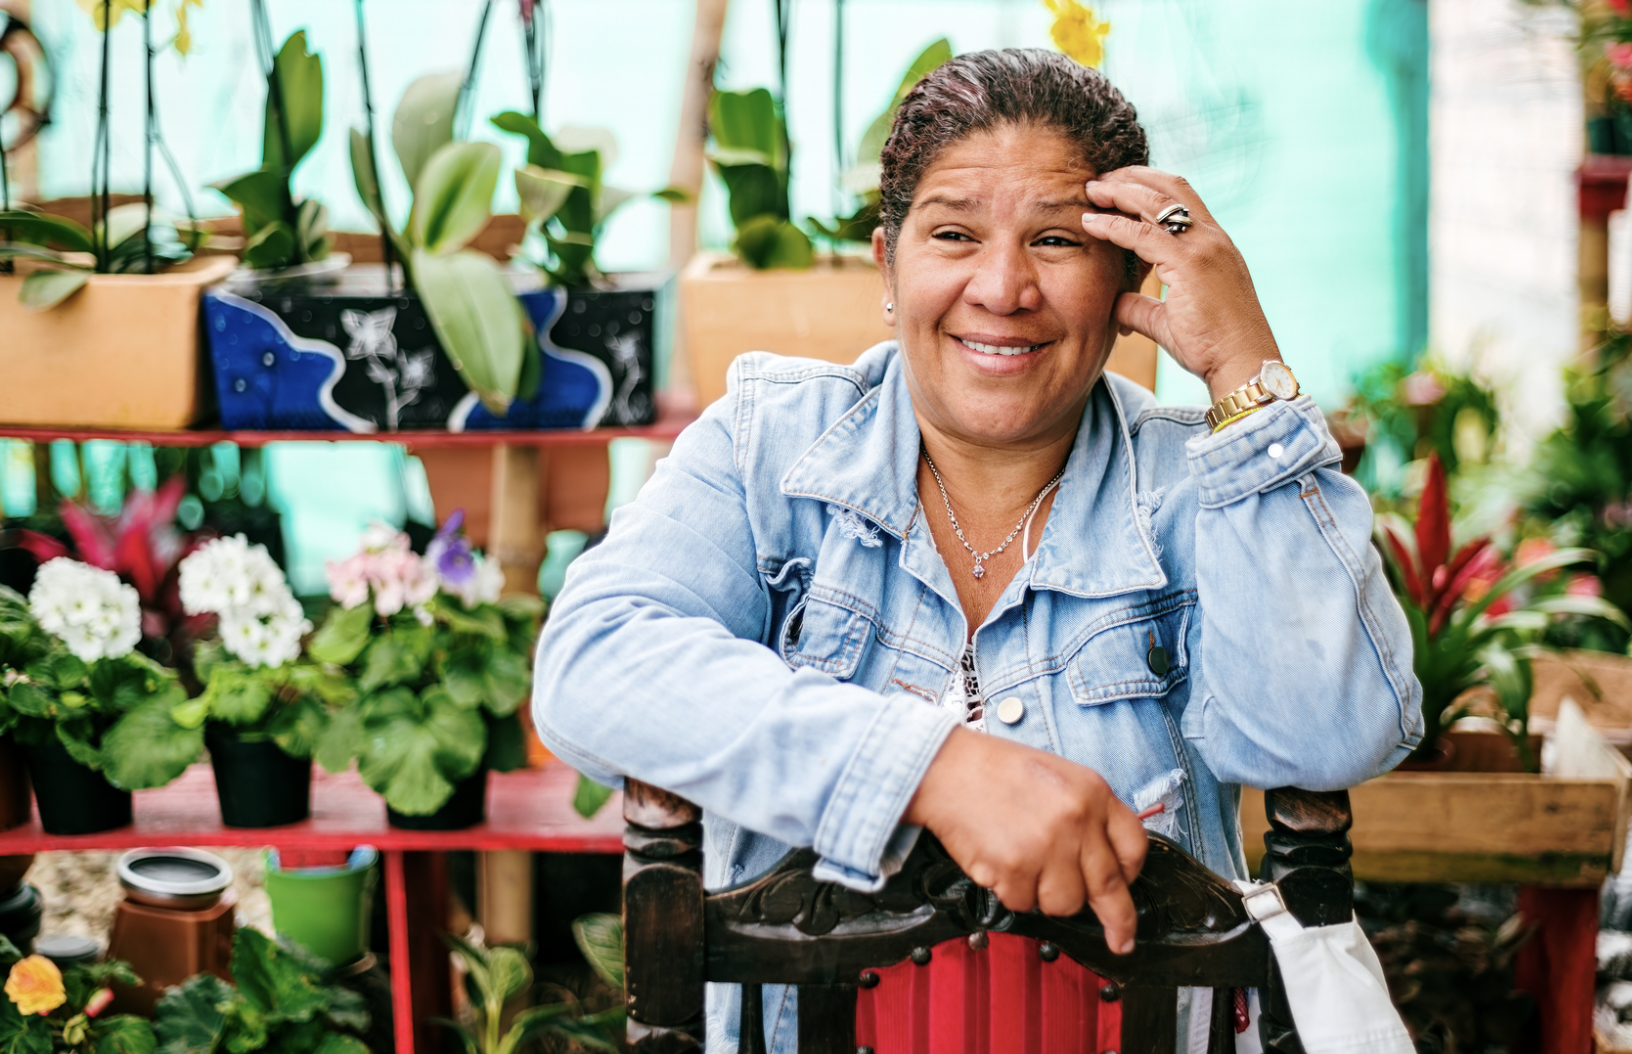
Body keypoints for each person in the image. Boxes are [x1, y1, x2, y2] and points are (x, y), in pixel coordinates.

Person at [532, 48, 1422, 1050]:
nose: (1002, 288)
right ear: (888, 264)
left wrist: (1247, 370)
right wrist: (934, 770)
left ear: (1130, 277)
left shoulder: (1195, 493)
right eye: (953, 232)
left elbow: (1330, 735)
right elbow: (590, 664)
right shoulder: (765, 448)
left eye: (1054, 240)